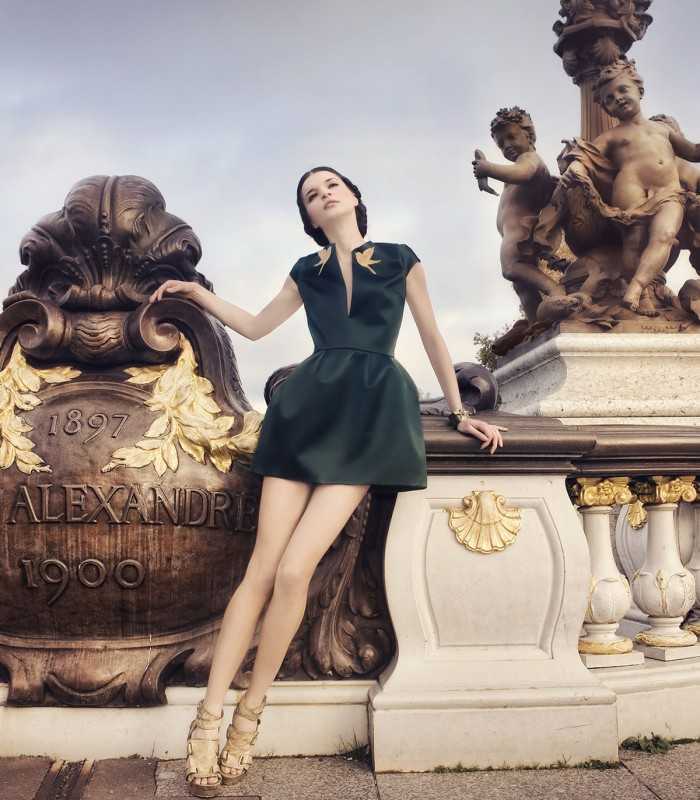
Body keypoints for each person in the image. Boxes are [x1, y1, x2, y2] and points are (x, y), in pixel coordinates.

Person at [148, 166, 506, 797]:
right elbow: (258, 327)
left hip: (371, 412)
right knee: (262, 568)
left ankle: (250, 715)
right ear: (309, 217)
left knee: (295, 571)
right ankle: (208, 719)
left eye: (331, 186)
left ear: (356, 198)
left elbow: (430, 335)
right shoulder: (305, 269)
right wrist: (200, 297)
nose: (324, 195)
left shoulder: (400, 258)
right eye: (311, 195)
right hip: (308, 410)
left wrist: (459, 411)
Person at [558, 60, 700, 314]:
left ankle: (636, 285)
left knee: (666, 236)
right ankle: (642, 295)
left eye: (623, 90)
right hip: (630, 190)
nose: (618, 99)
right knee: (633, 243)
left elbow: (691, 151)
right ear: (607, 109)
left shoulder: (663, 129)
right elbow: (585, 157)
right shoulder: (611, 136)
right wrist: (574, 170)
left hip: (670, 192)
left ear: (639, 90)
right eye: (610, 99)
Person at [473, 107, 563, 323]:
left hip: (521, 232)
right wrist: (483, 177)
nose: (507, 146)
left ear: (529, 135)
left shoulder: (531, 160)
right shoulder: (518, 167)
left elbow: (521, 172)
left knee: (512, 268)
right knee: (522, 287)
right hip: (511, 234)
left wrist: (487, 168)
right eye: (501, 143)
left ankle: (555, 291)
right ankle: (536, 324)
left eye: (512, 137)